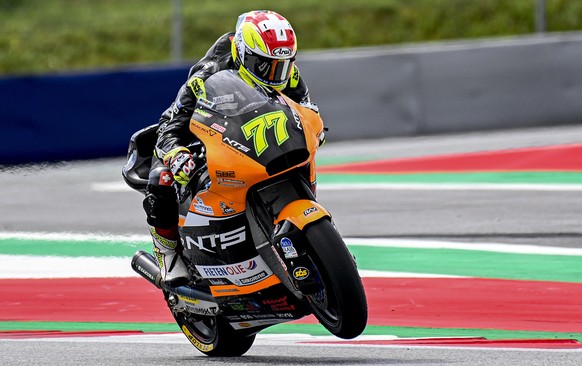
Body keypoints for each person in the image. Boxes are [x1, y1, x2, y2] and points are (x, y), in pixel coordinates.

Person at [143, 10, 319, 286]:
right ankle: (167, 253)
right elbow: (168, 126)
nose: (276, 75)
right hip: (206, 141)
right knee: (162, 178)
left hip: (257, 138)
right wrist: (177, 153)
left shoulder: (288, 74)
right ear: (244, 54)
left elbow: (306, 108)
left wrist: (313, 128)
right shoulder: (206, 75)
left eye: (282, 66)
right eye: (266, 66)